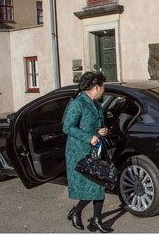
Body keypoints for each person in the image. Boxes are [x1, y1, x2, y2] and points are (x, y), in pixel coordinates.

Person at [63, 71, 113, 233]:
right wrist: (88, 137)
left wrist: (102, 130)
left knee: (98, 184)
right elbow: (67, 127)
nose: (104, 89)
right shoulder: (78, 104)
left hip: (95, 150)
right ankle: (76, 212)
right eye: (103, 86)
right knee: (91, 185)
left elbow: (94, 123)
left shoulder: (96, 103)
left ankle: (96, 220)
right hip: (79, 151)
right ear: (96, 87)